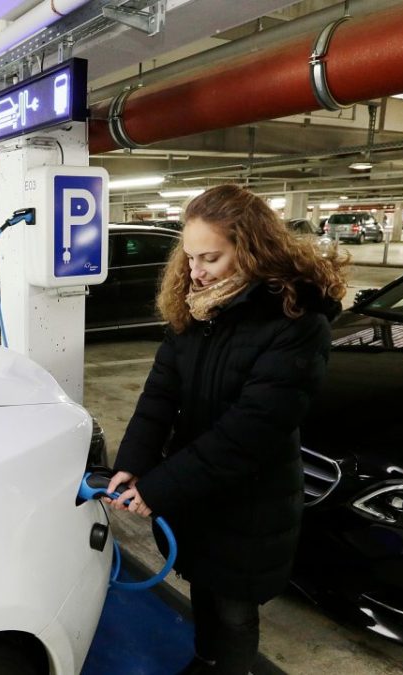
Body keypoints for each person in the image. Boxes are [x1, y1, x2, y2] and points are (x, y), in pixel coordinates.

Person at [106, 184, 347, 674]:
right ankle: (205, 660)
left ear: (251, 247)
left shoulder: (296, 320)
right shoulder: (196, 309)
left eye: (210, 258)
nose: (194, 271)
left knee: (235, 610)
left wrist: (160, 487)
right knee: (202, 590)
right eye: (190, 257)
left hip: (250, 500)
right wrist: (133, 464)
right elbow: (159, 395)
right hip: (197, 490)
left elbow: (252, 431)